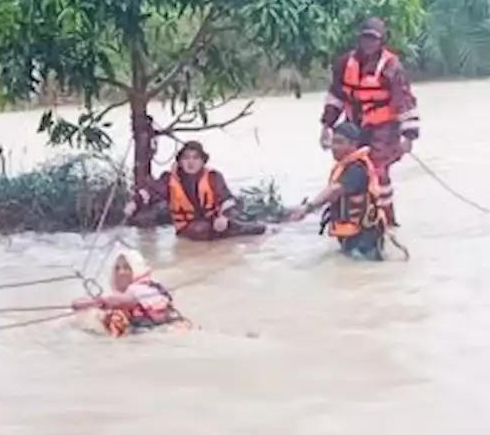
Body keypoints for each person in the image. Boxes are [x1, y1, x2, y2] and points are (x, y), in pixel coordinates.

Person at [320, 16, 417, 224]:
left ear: (381, 40)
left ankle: (386, 220)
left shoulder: (391, 66)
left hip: (385, 128)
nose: (369, 43)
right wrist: (326, 126)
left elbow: (405, 101)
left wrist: (409, 136)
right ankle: (353, 216)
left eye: (373, 39)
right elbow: (336, 96)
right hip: (355, 126)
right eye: (365, 38)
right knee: (350, 168)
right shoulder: (345, 63)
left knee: (378, 170)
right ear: (359, 38)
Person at [286, 122, 387, 260]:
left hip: (364, 238)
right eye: (333, 142)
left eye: (340, 142)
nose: (334, 147)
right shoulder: (345, 167)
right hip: (352, 236)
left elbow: (334, 191)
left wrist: (308, 208)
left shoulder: (357, 168)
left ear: (353, 144)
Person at [124, 141, 266, 239]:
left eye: (195, 158)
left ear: (203, 161)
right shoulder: (168, 180)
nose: (191, 162)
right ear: (179, 162)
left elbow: (227, 200)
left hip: (217, 225)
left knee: (258, 230)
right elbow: (149, 192)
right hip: (189, 230)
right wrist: (134, 203)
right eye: (186, 158)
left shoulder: (213, 177)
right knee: (200, 230)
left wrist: (224, 217)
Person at [71, 249, 181, 336]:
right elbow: (76, 303)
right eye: (117, 268)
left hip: (153, 333)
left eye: (126, 268)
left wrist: (103, 302)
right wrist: (91, 303)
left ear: (137, 269)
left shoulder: (139, 288)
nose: (121, 272)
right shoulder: (154, 286)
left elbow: (128, 300)